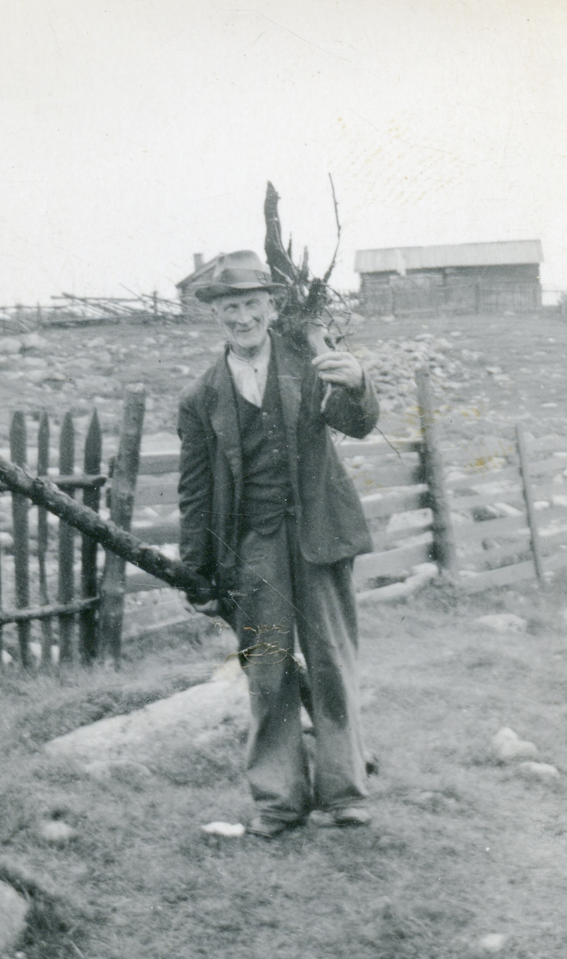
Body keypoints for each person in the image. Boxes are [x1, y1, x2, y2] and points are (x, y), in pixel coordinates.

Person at [177, 250, 380, 838]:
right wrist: (198, 571)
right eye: (229, 307)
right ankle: (278, 801)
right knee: (266, 670)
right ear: (216, 315)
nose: (241, 317)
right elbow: (194, 495)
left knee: (331, 665)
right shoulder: (201, 396)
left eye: (250, 304)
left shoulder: (311, 362)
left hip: (319, 537)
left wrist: (360, 382)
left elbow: (357, 420)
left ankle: (344, 793)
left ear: (272, 306)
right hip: (253, 549)